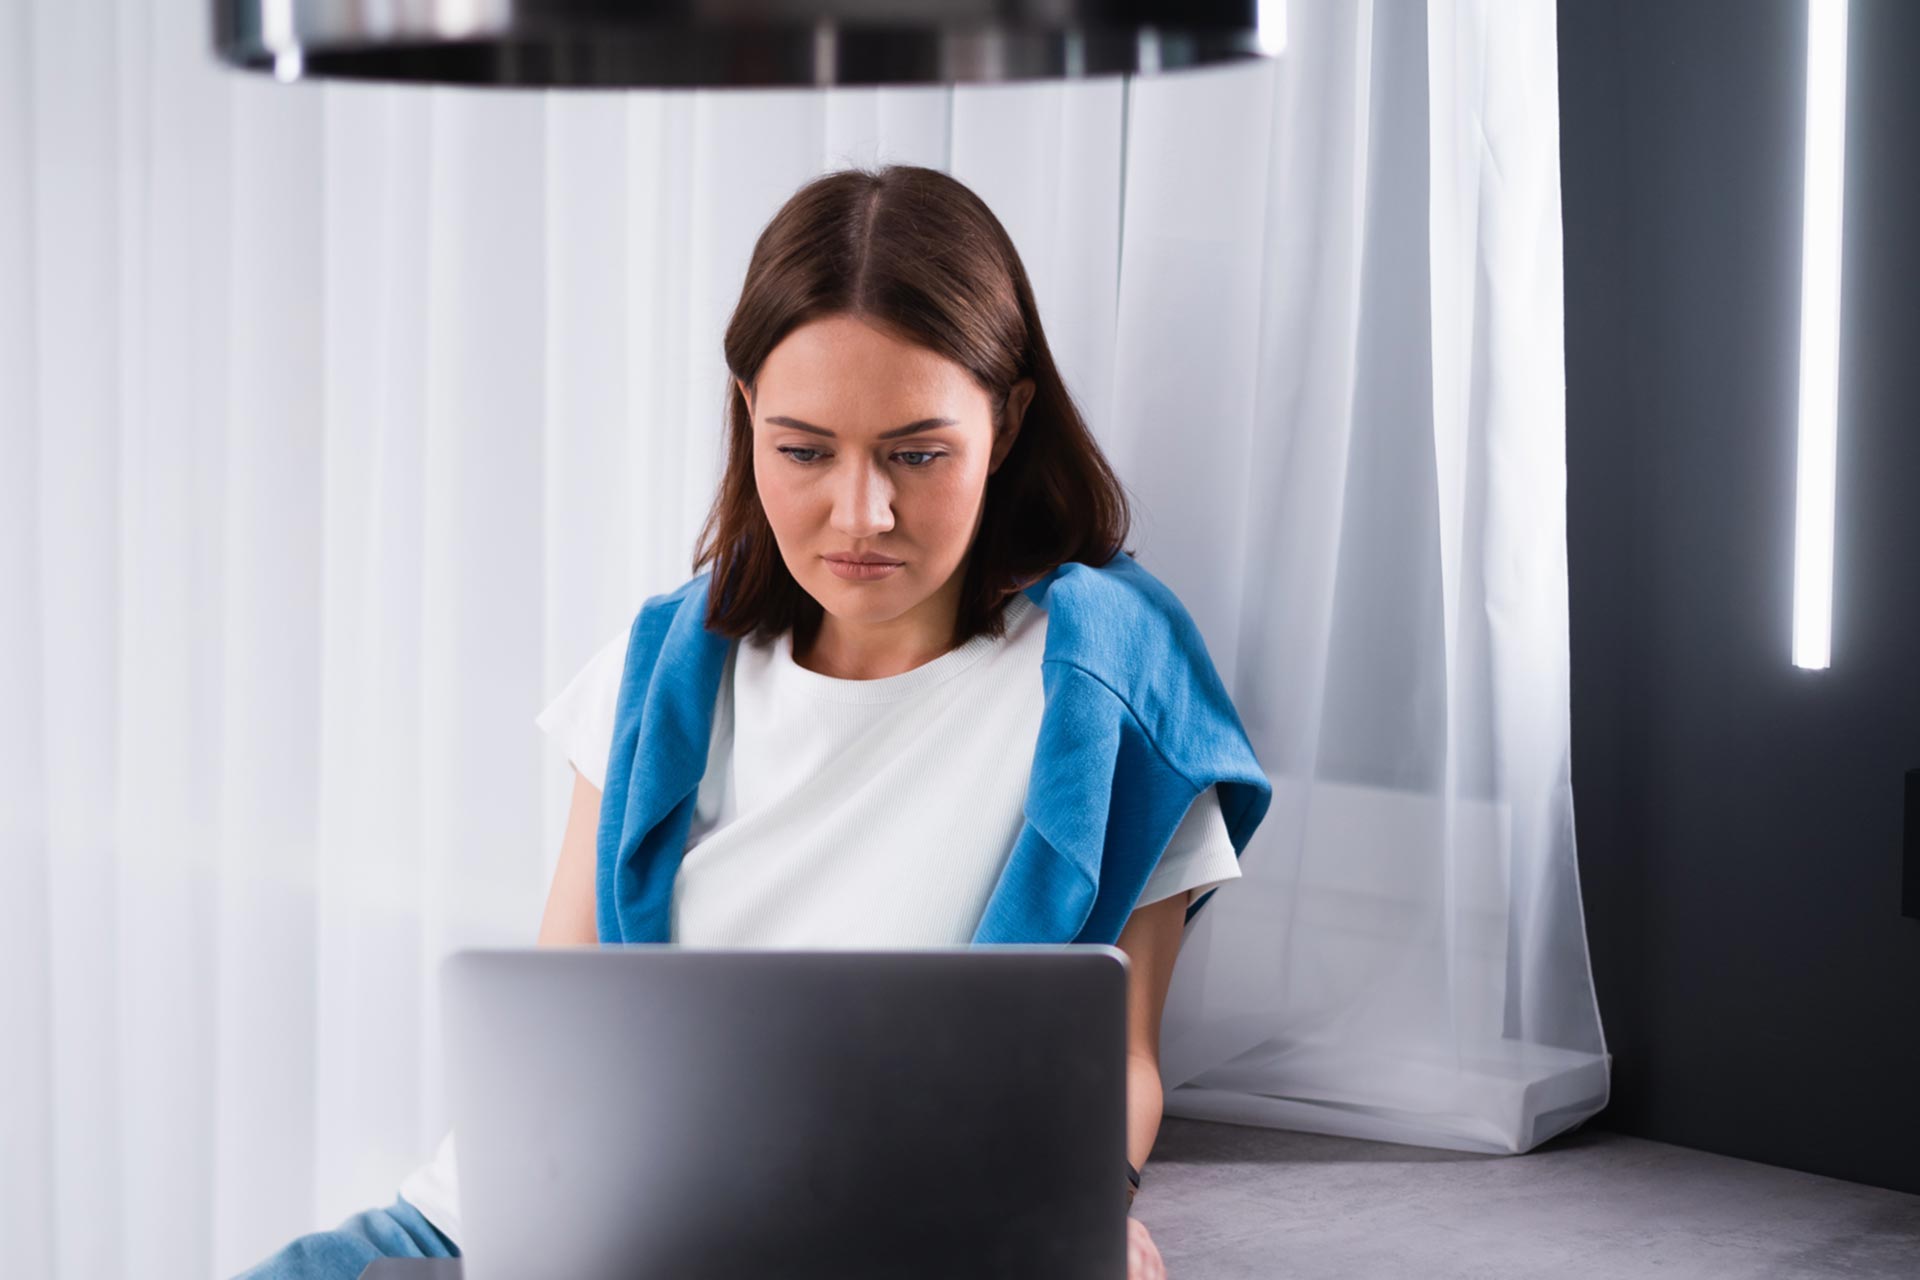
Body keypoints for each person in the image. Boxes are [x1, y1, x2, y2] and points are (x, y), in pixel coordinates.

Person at [237, 163, 1271, 1280]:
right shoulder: (658, 670)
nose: (860, 512)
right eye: (804, 450)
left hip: (868, 1241)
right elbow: (553, 1052)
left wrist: (1080, 1210)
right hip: (510, 1225)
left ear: (1009, 418)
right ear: (748, 417)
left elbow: (1119, 1056)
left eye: (918, 453)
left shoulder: (1110, 682)